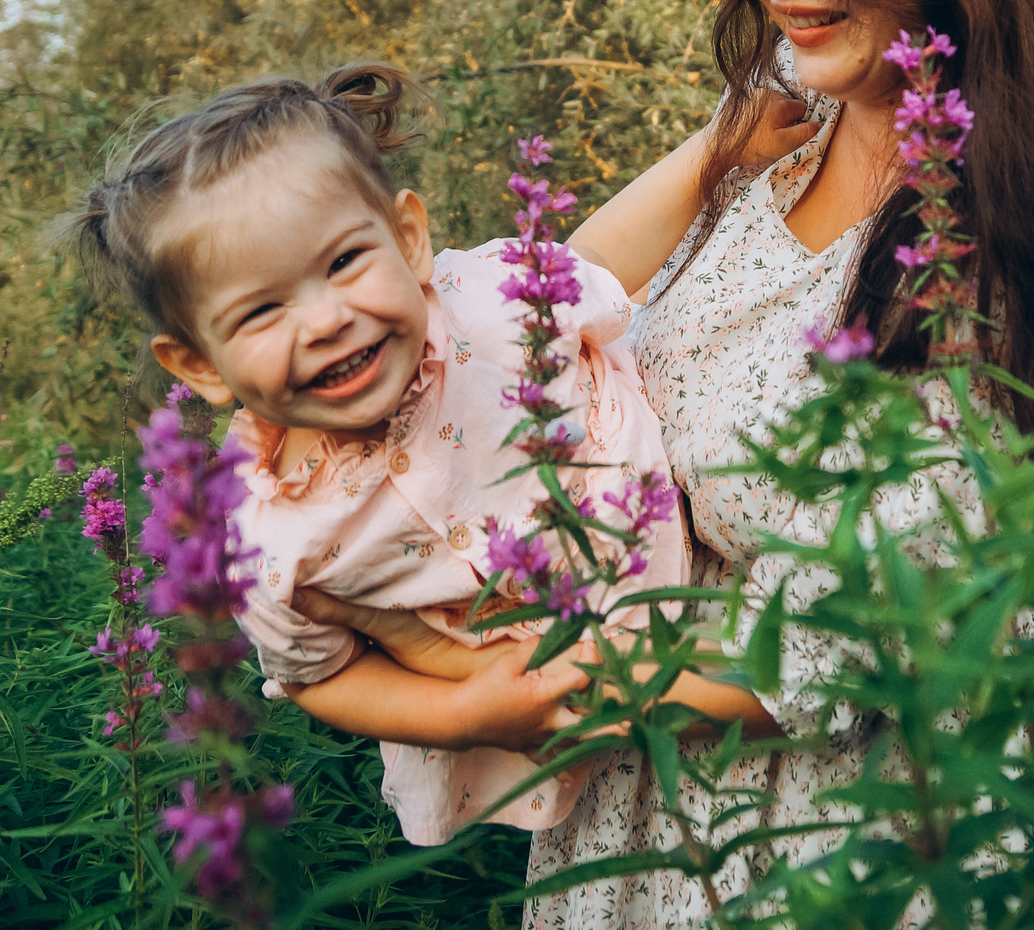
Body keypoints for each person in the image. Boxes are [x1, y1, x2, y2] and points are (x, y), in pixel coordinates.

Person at [298, 0, 1034, 925]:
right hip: (650, 833)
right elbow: (537, 337)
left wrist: (495, 693)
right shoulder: (765, 155)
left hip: (868, 848)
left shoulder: (1013, 247)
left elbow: (884, 619)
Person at [55, 63, 695, 847]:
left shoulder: (487, 302)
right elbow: (322, 675)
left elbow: (603, 262)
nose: (325, 319)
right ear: (199, 365)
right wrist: (460, 715)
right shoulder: (261, 536)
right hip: (564, 708)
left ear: (409, 239)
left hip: (705, 568)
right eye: (261, 309)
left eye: (344, 262)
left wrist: (714, 154)